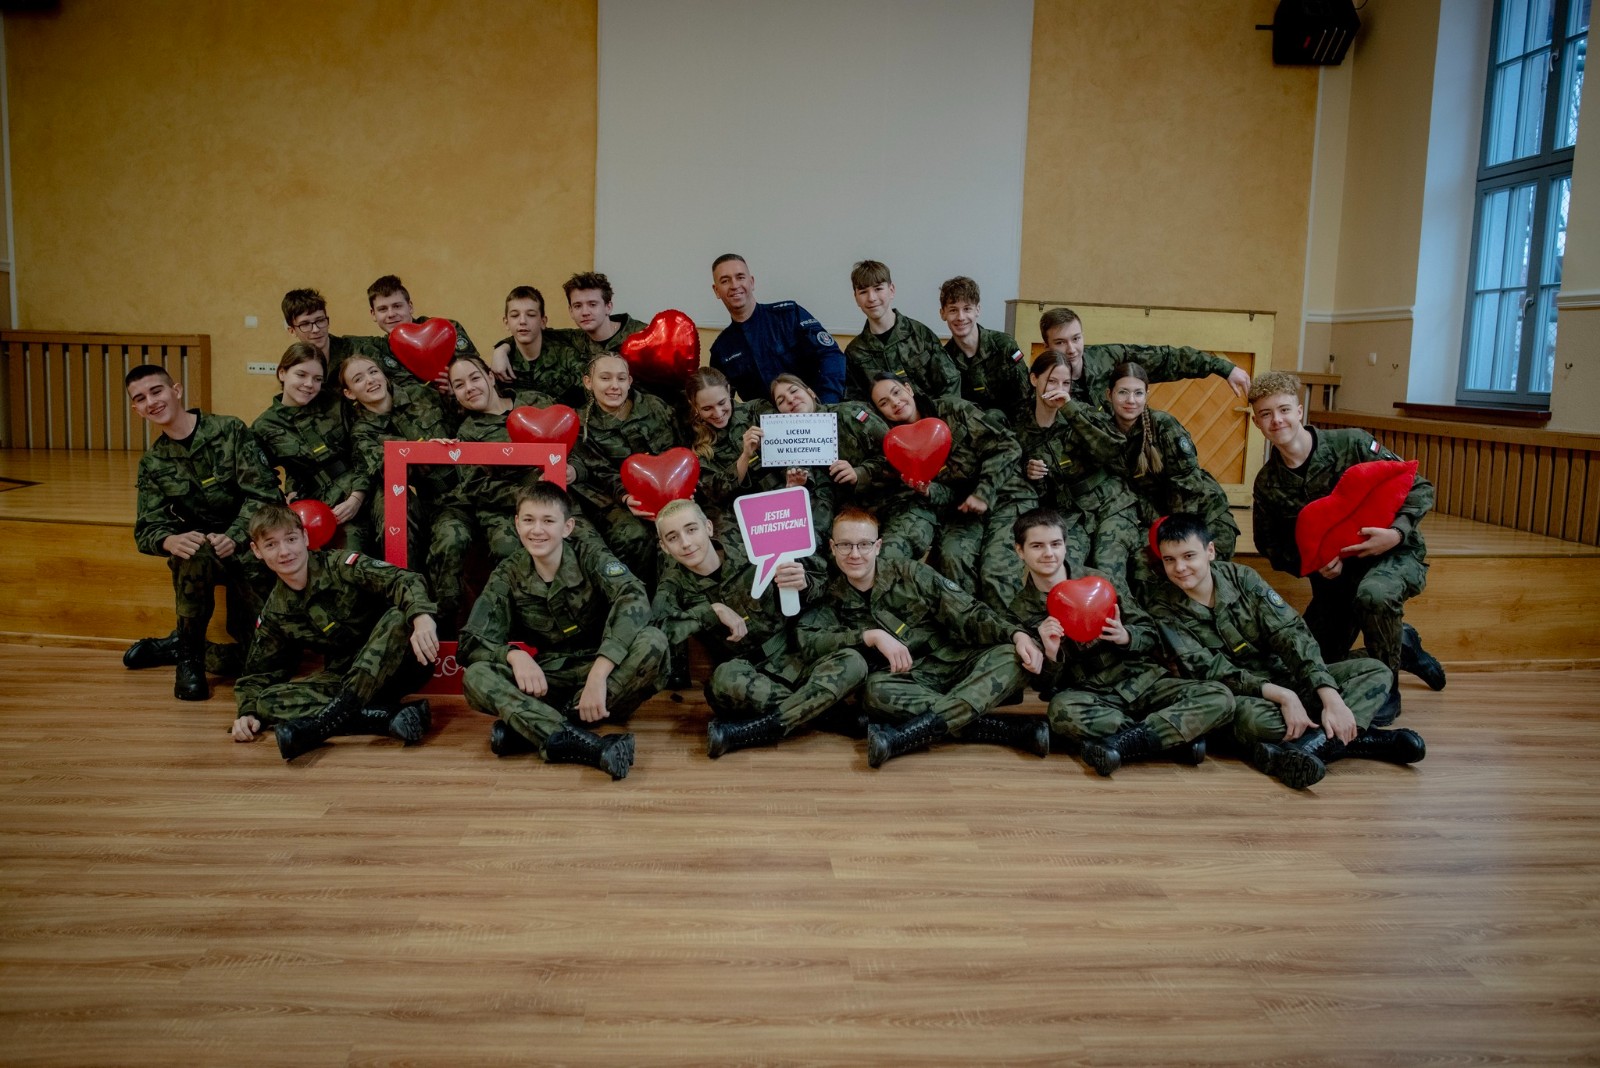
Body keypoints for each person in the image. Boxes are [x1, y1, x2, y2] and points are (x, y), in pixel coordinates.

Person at [1147, 513, 1425, 789]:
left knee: (1376, 671)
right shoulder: (1163, 607)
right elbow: (1210, 670)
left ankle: (1310, 747)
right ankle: (1363, 740)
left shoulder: (1242, 578)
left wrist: (1328, 694)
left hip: (1284, 675)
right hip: (1242, 695)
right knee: (1256, 722)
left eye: (1189, 556)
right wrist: (1283, 695)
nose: (1180, 567)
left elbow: (1290, 634)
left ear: (1210, 551)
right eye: (1170, 559)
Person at [1249, 371, 1445, 706]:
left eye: (1284, 409)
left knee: (1374, 595)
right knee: (1308, 666)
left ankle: (1386, 693)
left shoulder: (1352, 443)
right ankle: (1401, 644)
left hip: (1392, 555)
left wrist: (1395, 533)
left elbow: (1419, 486)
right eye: (1266, 414)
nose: (1277, 420)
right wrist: (1313, 563)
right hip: (1335, 581)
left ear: (1299, 411)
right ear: (1256, 422)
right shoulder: (1268, 483)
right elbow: (1271, 546)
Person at [797, 508, 1048, 766]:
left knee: (1012, 656)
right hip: (906, 678)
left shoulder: (911, 573)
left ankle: (904, 736)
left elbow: (968, 613)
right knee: (874, 692)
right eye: (845, 545)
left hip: (954, 663)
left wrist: (1016, 634)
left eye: (864, 544)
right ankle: (1003, 728)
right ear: (832, 547)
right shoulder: (831, 596)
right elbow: (811, 642)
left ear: (878, 546)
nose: (855, 554)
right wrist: (868, 636)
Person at [459, 483, 667, 779]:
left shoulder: (590, 555)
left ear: (567, 527)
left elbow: (633, 598)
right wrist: (514, 656)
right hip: (548, 680)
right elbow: (471, 641)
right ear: (517, 524)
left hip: (605, 676)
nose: (537, 530)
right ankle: (587, 744)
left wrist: (598, 675)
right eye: (528, 520)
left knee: (653, 641)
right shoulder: (508, 573)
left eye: (548, 521)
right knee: (476, 675)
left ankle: (533, 728)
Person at [1007, 509, 1233, 775]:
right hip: (1092, 695)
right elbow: (1043, 686)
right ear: (1020, 551)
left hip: (1143, 681)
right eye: (1037, 546)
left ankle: (1122, 743)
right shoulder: (1020, 611)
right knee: (1061, 712)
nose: (1049, 553)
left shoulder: (1101, 582)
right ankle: (1168, 739)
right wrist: (1051, 653)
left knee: (1220, 696)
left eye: (1055, 544)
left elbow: (1149, 633)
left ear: (1065, 546)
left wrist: (1126, 636)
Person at [653, 500, 868, 757]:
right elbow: (657, 632)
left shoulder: (750, 548)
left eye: (691, 529)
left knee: (854, 662)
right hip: (747, 675)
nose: (686, 543)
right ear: (664, 547)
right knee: (722, 683)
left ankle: (757, 729)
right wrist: (711, 611)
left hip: (794, 654)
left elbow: (824, 581)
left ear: (708, 527)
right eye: (673, 537)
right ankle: (825, 711)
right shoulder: (673, 584)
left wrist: (805, 583)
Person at [232, 504, 438, 761]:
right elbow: (258, 674)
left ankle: (322, 725)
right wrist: (247, 712)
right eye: (271, 545)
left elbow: (404, 579)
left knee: (399, 617)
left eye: (291, 539)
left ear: (305, 538)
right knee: (267, 702)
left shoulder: (341, 566)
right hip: (345, 677)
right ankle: (383, 717)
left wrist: (421, 616)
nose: (284, 552)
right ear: (257, 551)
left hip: (399, 667)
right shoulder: (276, 611)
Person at [122, 364, 279, 701]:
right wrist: (169, 540)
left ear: (176, 391)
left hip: (250, 550)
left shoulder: (229, 430)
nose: (151, 401)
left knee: (269, 663)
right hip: (202, 559)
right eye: (141, 398)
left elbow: (264, 494)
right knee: (193, 550)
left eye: (156, 391)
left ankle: (180, 642)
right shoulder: (153, 463)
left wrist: (234, 535)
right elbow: (147, 528)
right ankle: (190, 658)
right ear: (137, 410)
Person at [871, 373, 1037, 607]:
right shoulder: (897, 447)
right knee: (953, 557)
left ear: (909, 389)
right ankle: (971, 622)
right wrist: (929, 491)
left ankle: (1006, 627)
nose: (895, 403)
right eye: (884, 403)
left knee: (995, 571)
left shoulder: (953, 410)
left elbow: (1008, 447)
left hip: (1007, 496)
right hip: (964, 510)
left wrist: (983, 493)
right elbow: (951, 495)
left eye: (896, 392)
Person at [342, 353, 474, 633]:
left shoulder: (422, 394)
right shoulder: (362, 432)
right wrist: (424, 449)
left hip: (471, 485)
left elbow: (465, 418)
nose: (370, 380)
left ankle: (449, 626)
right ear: (349, 393)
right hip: (430, 503)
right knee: (447, 537)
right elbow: (385, 468)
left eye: (373, 371)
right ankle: (426, 620)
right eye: (358, 379)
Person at [1014, 351, 1140, 586]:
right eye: (1052, 381)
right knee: (1064, 568)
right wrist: (1029, 472)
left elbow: (1112, 449)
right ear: (1034, 379)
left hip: (1111, 503)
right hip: (1070, 513)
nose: (1059, 389)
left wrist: (1069, 410)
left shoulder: (1082, 412)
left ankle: (1124, 612)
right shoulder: (1021, 426)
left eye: (1066, 383)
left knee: (1107, 569)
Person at [1101, 360, 1240, 558]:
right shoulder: (1103, 433)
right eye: (1123, 392)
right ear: (1109, 395)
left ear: (1146, 396)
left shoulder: (1163, 426)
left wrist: (1178, 533)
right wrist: (1160, 526)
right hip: (1158, 519)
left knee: (1203, 567)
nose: (1131, 400)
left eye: (1138, 393)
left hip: (1201, 514)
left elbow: (1187, 485)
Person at [568, 353, 681, 586]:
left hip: (670, 491)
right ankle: (635, 594)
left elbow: (681, 451)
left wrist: (682, 488)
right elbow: (600, 472)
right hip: (617, 501)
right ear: (588, 382)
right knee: (634, 536)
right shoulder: (581, 425)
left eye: (621, 378)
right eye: (605, 378)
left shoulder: (655, 407)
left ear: (629, 381)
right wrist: (626, 497)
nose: (614, 386)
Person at [251, 342, 370, 552]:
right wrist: (285, 499)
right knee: (349, 552)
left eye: (317, 379)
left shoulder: (336, 403)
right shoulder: (264, 426)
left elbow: (363, 448)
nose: (309, 384)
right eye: (301, 375)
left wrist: (357, 496)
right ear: (282, 373)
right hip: (321, 506)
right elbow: (261, 479)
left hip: (363, 486)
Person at [447, 353, 558, 561]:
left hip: (557, 496)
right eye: (459, 385)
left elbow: (572, 442)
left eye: (475, 378)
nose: (469, 388)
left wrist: (573, 470)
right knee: (508, 550)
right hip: (504, 508)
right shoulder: (467, 433)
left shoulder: (534, 402)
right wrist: (527, 494)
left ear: (490, 377)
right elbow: (476, 486)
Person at [1038, 306, 1251, 405]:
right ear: (1047, 347)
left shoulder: (1107, 358)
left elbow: (1166, 358)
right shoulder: (1040, 381)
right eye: (1060, 342)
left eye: (1076, 339)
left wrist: (1224, 367)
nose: (1072, 349)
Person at [708, 253, 846, 404]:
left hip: (813, 410)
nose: (734, 285)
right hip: (764, 418)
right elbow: (722, 402)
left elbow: (831, 355)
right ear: (716, 291)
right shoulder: (721, 349)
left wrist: (826, 404)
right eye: (725, 281)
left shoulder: (789, 315)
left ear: (752, 282)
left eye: (740, 277)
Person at [767, 372, 888, 542]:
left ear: (811, 393)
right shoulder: (785, 450)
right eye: (781, 401)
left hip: (884, 503)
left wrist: (859, 473)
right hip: (836, 524)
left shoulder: (850, 414)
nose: (790, 400)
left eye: (794, 391)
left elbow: (895, 456)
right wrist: (795, 489)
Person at [843, 260, 961, 402]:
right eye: (863, 292)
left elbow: (950, 385)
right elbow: (856, 403)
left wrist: (937, 414)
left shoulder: (920, 335)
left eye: (878, 289)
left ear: (891, 290)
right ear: (856, 298)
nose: (871, 298)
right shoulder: (855, 353)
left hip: (932, 414)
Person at [364, 274, 478, 393]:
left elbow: (477, 372)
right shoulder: (379, 350)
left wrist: (457, 387)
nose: (391, 314)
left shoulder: (444, 330)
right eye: (382, 309)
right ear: (373, 314)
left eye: (397, 306)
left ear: (410, 307)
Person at [938, 276, 1030, 419]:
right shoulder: (945, 359)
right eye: (953, 310)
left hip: (1011, 425)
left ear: (977, 310)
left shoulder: (1003, 345)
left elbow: (1026, 398)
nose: (961, 317)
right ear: (943, 314)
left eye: (967, 309)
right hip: (973, 429)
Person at [485, 284, 591, 405]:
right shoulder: (501, 365)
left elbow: (592, 399)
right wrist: (500, 350)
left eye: (531, 315)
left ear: (543, 321)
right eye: (515, 316)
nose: (522, 321)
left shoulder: (566, 356)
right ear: (506, 323)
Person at [683, 367, 762, 523]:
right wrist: (745, 456)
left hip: (779, 496)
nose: (718, 414)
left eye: (722, 403)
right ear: (693, 405)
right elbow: (715, 493)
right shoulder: (693, 440)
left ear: (728, 390)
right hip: (735, 515)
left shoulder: (756, 410)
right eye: (707, 408)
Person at [281, 287, 377, 386]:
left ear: (328, 321)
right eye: (305, 324)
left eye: (320, 320)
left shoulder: (359, 349)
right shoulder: (293, 365)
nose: (316, 329)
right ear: (292, 331)